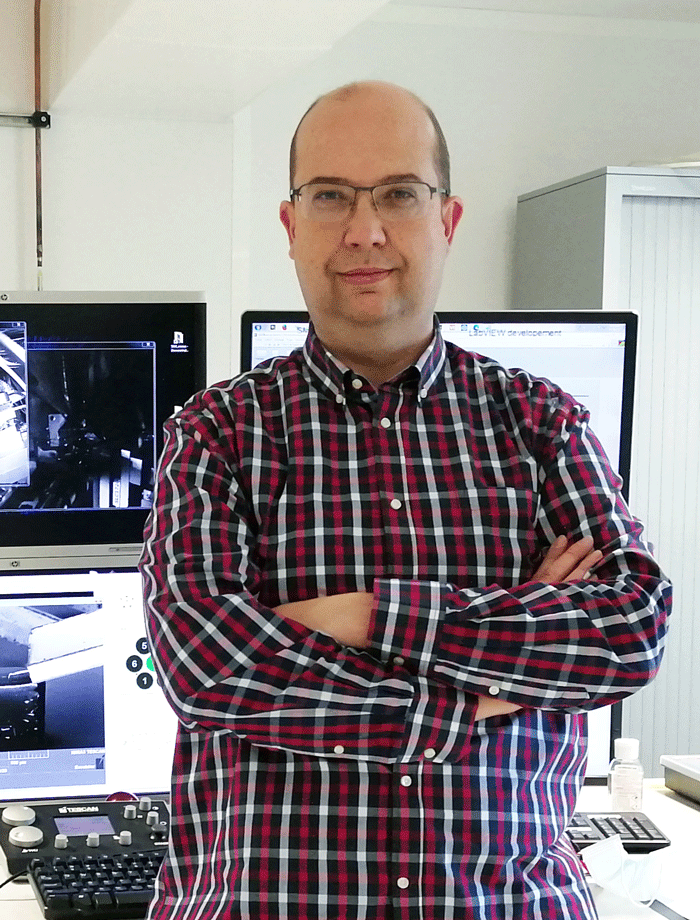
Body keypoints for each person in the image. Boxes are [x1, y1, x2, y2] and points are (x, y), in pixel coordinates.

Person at [140, 81, 671, 920]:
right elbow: (205, 665)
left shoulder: (540, 423)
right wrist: (487, 685)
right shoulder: (217, 434)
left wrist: (367, 616)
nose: (365, 230)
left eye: (398, 193)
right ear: (291, 225)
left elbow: (629, 629)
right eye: (330, 196)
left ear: (447, 220)